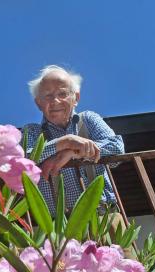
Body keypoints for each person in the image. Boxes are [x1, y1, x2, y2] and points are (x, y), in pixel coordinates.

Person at [21, 65, 124, 212]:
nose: (55, 101)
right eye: (48, 96)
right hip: (59, 225)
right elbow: (24, 160)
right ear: (39, 103)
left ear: (76, 98)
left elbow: (117, 147)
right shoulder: (32, 131)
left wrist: (72, 152)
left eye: (62, 94)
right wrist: (65, 142)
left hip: (104, 215)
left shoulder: (88, 119)